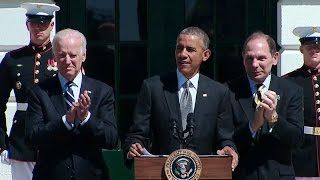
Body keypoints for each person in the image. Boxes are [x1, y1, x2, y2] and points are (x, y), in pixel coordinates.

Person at [123, 26, 238, 171]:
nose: (183, 54)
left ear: (206, 55)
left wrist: (228, 149)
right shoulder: (153, 87)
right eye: (179, 48)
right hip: (161, 173)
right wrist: (133, 147)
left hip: (204, 173)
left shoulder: (218, 92)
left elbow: (225, 137)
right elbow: (137, 134)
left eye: (190, 50)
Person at [25, 28, 118, 180]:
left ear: (84, 56)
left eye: (73, 55)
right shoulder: (39, 92)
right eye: (62, 55)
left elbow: (111, 139)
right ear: (54, 56)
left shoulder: (102, 91)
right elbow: (32, 138)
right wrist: (65, 122)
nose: (67, 61)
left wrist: (86, 118)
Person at [227, 31, 304, 180]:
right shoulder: (228, 91)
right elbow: (227, 139)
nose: (255, 65)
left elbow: (296, 140)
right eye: (249, 58)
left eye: (261, 58)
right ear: (243, 58)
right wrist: (253, 126)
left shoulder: (292, 91)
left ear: (275, 58)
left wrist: (274, 119)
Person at [0, 2, 60, 180]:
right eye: (34, 23)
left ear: (51, 25)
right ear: (27, 25)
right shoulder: (13, 59)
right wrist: (2, 142)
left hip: (54, 136)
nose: (38, 28)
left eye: (43, 23)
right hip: (22, 139)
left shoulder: (62, 56)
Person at [283, 26, 320, 179]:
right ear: (301, 49)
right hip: (303, 154)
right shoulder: (288, 82)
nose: (314, 50)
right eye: (309, 47)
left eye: (318, 47)